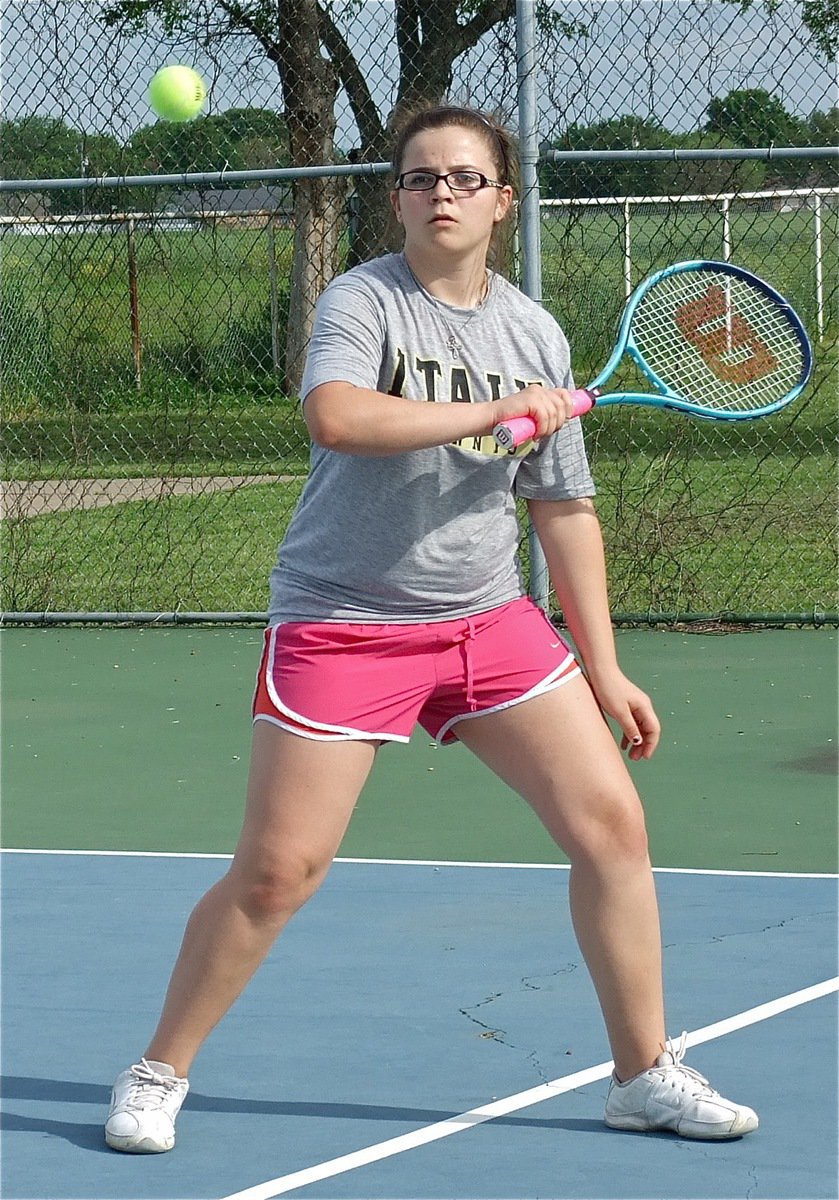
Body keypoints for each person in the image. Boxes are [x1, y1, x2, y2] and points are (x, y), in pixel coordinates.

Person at [105, 105, 758, 1154]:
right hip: (343, 623)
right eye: (419, 179)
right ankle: (158, 1068)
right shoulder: (363, 301)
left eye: (463, 177)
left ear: (503, 199)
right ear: (398, 199)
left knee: (612, 827)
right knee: (279, 872)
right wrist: (493, 412)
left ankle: (641, 1074)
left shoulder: (531, 332)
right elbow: (338, 417)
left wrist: (603, 667)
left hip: (487, 621)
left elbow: (562, 510)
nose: (440, 193)